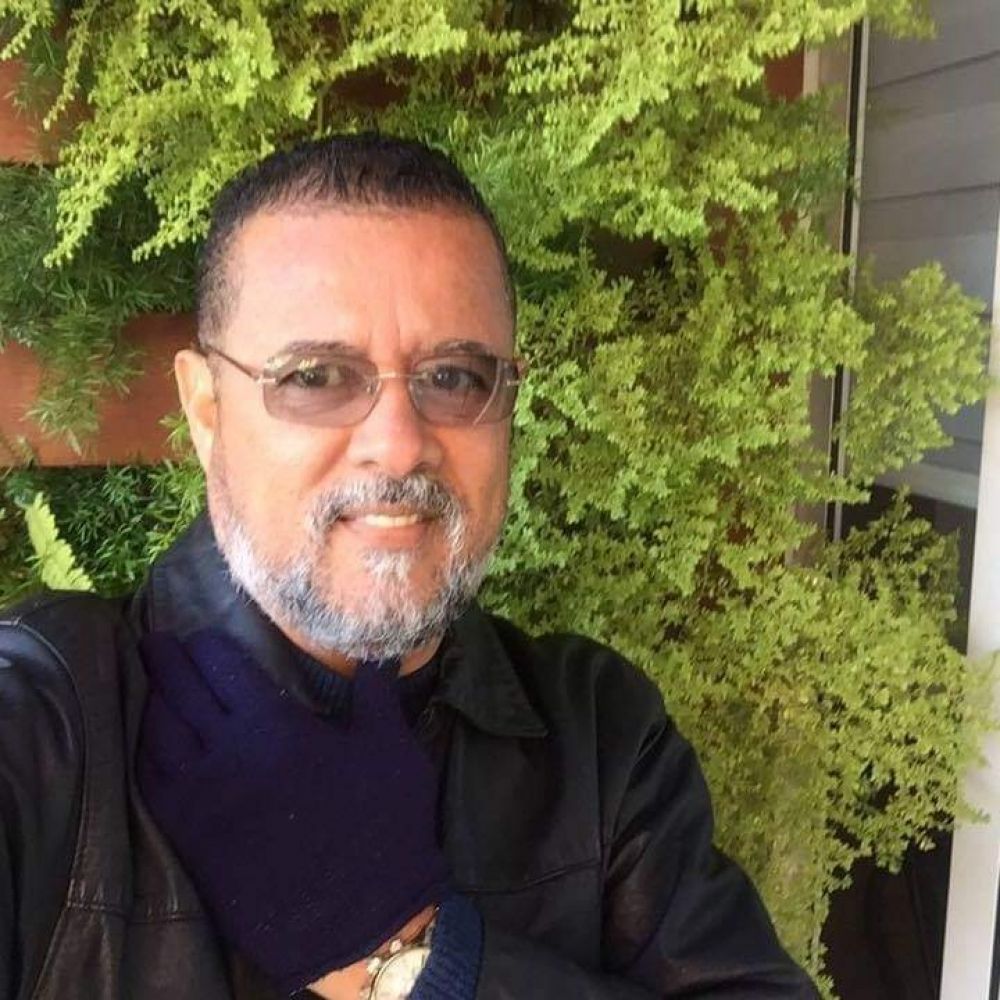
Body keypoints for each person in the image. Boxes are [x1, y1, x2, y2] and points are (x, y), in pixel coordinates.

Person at [0, 134, 818, 1000]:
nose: (397, 443)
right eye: (315, 375)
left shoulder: (596, 741)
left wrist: (406, 955)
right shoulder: (48, 724)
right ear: (206, 411)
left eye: (455, 377)